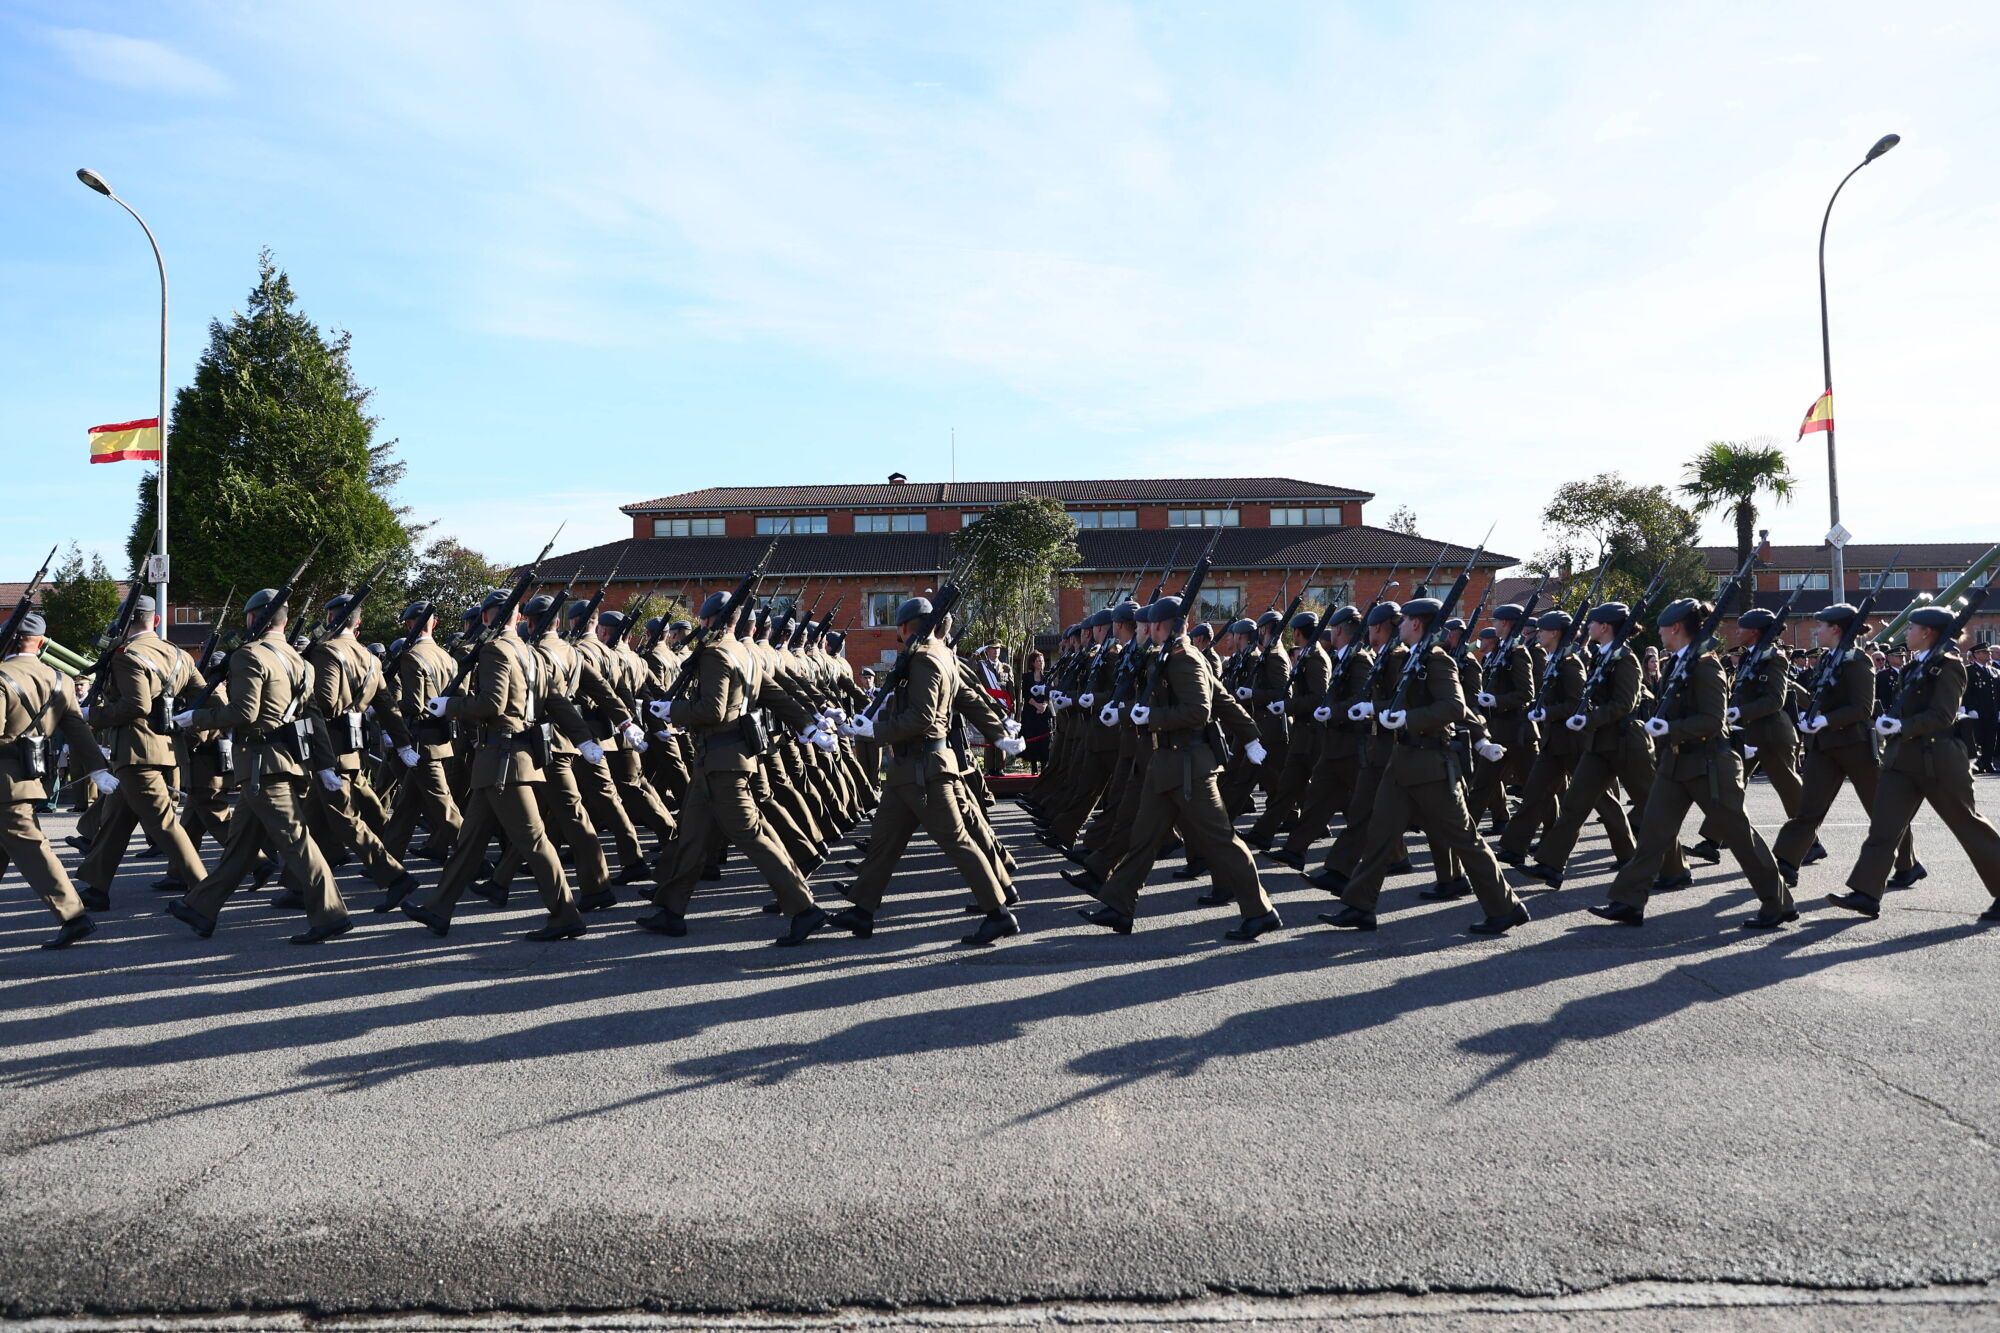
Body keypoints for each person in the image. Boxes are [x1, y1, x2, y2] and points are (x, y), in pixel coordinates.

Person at [1320, 597, 1530, 936]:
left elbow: (1453, 706)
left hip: (1432, 765)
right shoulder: (1412, 659)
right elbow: (1402, 702)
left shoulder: (1436, 660)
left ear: (1416, 624)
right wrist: (1374, 709)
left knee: (1465, 840)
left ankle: (1506, 907)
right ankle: (1359, 906)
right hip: (1401, 763)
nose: (1399, 626)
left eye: (1404, 622)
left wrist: (1475, 737)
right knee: (1379, 835)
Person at [1076, 595, 1280, 940]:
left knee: (1222, 841)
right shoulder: (1172, 656)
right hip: (1166, 766)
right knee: (1143, 839)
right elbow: (1224, 699)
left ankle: (1260, 911)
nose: (1145, 630)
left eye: (1148, 625)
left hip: (1189, 769)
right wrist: (1125, 712)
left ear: (1158, 625)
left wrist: (1152, 718)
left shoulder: (1185, 660)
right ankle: (1119, 905)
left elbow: (1200, 710)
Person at [1584, 598, 1794, 930]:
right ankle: (1628, 901)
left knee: (1740, 837)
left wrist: (1670, 729)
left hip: (1711, 764)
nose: (1659, 633)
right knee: (1653, 833)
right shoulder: (1675, 663)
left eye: (1663, 628)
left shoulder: (1706, 665)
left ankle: (1777, 902)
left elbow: (1713, 719)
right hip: (1676, 764)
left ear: (1676, 628)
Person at [828, 597, 1019, 946]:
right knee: (884, 842)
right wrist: (998, 733)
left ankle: (998, 913)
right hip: (907, 771)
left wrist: (876, 731)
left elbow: (922, 717)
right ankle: (862, 910)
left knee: (957, 840)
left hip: (924, 770)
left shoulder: (925, 659)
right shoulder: (941, 655)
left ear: (904, 628)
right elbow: (969, 700)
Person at [399, 589, 589, 941]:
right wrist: (584, 738)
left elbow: (491, 704)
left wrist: (449, 706)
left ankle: (565, 913)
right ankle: (439, 908)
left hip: (504, 761)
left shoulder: (494, 650)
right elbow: (557, 701)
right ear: (516, 616)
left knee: (534, 841)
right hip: (503, 761)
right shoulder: (530, 653)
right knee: (469, 842)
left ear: (487, 616)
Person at [169, 590, 354, 945]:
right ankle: (201, 908)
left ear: (254, 619)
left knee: (297, 842)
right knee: (240, 847)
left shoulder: (249, 656)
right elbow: (312, 717)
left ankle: (331, 915)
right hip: (284, 762)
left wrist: (197, 717)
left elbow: (243, 713)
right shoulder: (301, 661)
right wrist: (325, 764)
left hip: (260, 766)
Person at [1834, 606, 2000, 921]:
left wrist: (1900, 727)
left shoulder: (1949, 667)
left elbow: (1943, 715)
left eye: (1912, 628)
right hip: (1903, 760)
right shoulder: (1912, 668)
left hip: (1939, 759)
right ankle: (1866, 892)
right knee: (1884, 827)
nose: (1906, 633)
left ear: (1928, 632)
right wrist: (1890, 723)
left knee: (1967, 826)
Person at [75, 594, 210, 911]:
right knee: (115, 820)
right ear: (157, 620)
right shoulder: (178, 655)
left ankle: (206, 893)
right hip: (163, 750)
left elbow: (136, 705)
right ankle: (96, 887)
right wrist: (195, 732)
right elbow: (206, 696)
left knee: (164, 825)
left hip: (135, 753)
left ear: (124, 622)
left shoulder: (127, 655)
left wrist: (91, 715)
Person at [1770, 605, 1919, 888]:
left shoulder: (1858, 660)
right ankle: (1786, 863)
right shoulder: (1828, 659)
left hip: (1856, 746)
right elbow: (1820, 696)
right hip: (1824, 746)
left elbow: (1862, 708)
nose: (1817, 630)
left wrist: (1825, 720)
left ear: (1836, 629)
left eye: (1822, 626)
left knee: (1882, 810)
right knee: (1807, 808)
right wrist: (1797, 695)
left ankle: (1906, 864)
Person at [0, 612, 117, 948]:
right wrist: (98, 768)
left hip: (4, 781)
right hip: (28, 774)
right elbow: (77, 729)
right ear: (39, 642)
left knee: (33, 850)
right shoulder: (59, 679)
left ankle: (73, 916)